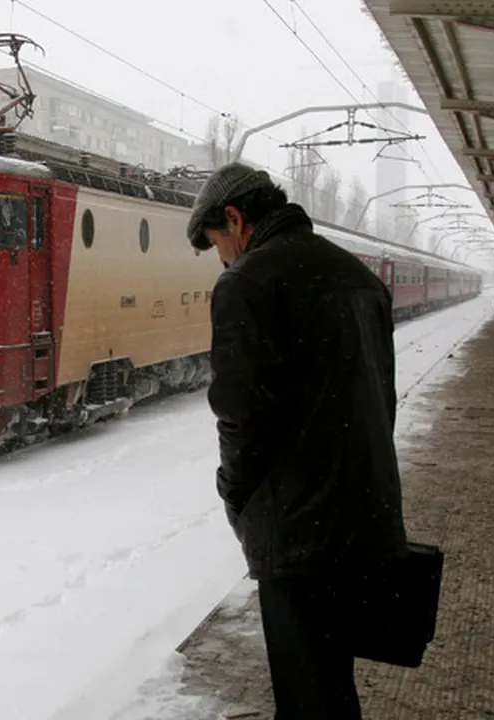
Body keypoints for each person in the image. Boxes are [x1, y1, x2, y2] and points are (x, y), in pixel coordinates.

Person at [187, 163, 407, 719]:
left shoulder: (248, 282)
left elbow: (242, 416)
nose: (222, 258)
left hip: (299, 527)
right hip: (367, 510)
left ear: (234, 219)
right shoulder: (359, 276)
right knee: (332, 685)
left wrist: (238, 497)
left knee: (308, 692)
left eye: (217, 242)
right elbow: (384, 397)